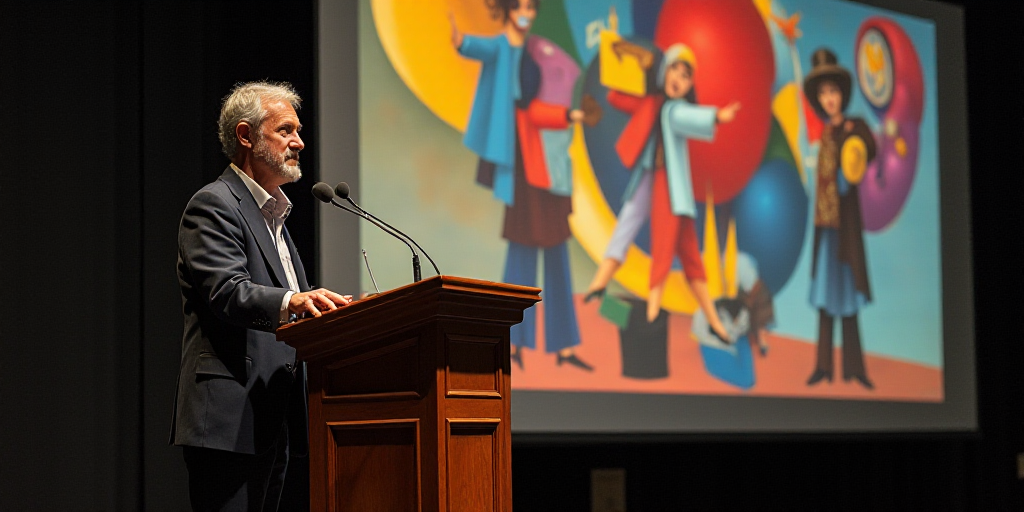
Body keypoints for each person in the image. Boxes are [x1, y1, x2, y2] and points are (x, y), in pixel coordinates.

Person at [170, 81, 352, 511]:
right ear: (246, 136)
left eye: (299, 130)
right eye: (286, 130)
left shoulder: (274, 216)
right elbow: (227, 291)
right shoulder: (213, 205)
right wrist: (295, 301)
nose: (300, 142)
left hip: (274, 417)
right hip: (228, 421)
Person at [450, 0, 598, 371]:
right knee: (521, 258)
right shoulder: (508, 51)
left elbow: (544, 107)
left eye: (532, 8)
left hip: (548, 172)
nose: (527, 13)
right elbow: (532, 110)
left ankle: (561, 347)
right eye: (521, 7)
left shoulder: (539, 53)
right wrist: (461, 40)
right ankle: (514, 344)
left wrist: (571, 112)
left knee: (555, 258)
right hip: (527, 169)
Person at [593, 42, 739, 342]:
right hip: (651, 178)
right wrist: (628, 69)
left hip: (671, 188)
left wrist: (716, 118)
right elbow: (616, 97)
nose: (678, 78)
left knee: (683, 257)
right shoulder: (653, 102)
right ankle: (602, 287)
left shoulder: (675, 108)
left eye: (686, 76)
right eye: (675, 69)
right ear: (664, 70)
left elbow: (686, 118)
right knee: (630, 226)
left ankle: (706, 318)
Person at [802, 49, 877, 390]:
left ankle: (854, 368)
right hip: (825, 231)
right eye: (823, 94)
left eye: (833, 92)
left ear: (841, 95)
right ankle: (822, 367)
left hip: (844, 232)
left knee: (847, 300)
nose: (829, 99)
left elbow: (867, 148)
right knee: (823, 300)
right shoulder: (823, 135)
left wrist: (856, 142)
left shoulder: (853, 126)